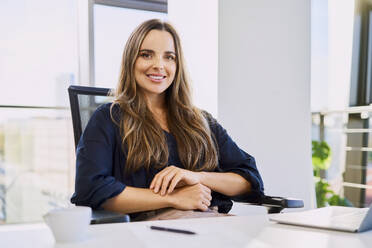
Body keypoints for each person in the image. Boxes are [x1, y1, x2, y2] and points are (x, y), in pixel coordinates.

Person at [71, 19, 264, 221]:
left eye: (169, 57)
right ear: (131, 61)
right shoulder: (108, 118)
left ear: (177, 65)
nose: (159, 66)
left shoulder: (201, 121)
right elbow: (91, 188)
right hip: (151, 229)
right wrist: (173, 198)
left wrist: (197, 176)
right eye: (146, 55)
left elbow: (248, 179)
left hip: (212, 222)